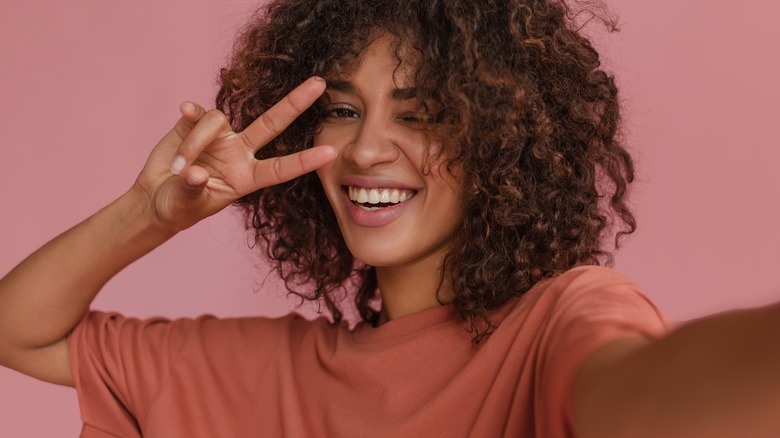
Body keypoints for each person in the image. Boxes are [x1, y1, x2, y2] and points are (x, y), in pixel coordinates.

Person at [0, 0, 778, 437]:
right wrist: (149, 215)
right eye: (343, 110)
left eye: (423, 113)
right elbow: (18, 332)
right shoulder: (261, 373)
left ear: (501, 139)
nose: (367, 148)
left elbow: (647, 398)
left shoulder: (555, 325)